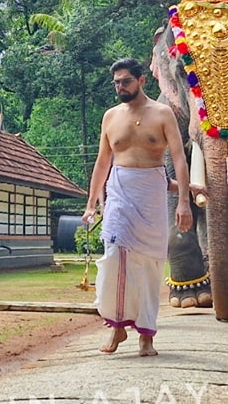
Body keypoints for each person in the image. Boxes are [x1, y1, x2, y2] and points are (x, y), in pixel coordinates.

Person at [82, 58, 193, 356]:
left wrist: (184, 201)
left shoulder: (162, 113)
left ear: (142, 80)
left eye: (126, 81)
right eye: (116, 82)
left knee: (149, 266)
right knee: (115, 259)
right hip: (119, 193)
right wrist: (91, 203)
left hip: (152, 193)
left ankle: (146, 335)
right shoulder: (110, 116)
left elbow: (179, 158)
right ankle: (117, 328)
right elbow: (102, 161)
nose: (120, 87)